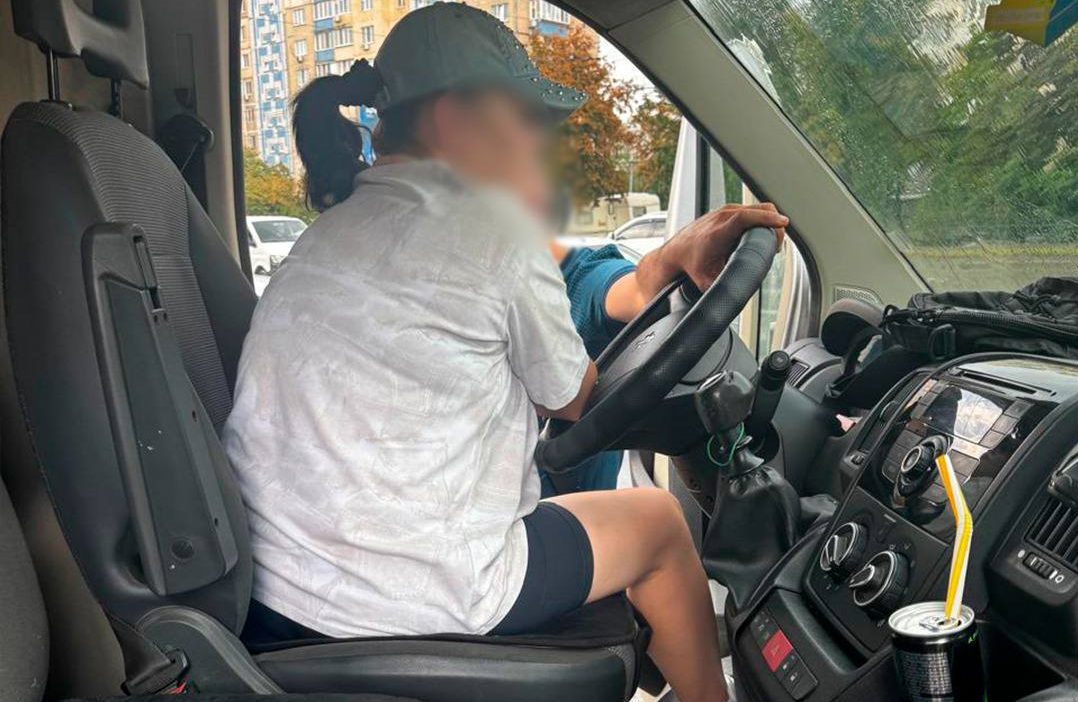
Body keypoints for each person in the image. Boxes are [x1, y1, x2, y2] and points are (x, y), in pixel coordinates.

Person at [223, 5, 787, 702]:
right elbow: (575, 398)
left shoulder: (324, 237)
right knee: (661, 525)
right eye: (527, 119)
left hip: (280, 593)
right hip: (420, 593)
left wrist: (650, 277)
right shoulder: (492, 228)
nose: (538, 142)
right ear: (455, 117)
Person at [547, 202, 788, 495]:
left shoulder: (542, 268)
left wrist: (669, 260)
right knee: (664, 515)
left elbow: (630, 289)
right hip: (531, 511)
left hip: (570, 499)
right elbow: (571, 398)